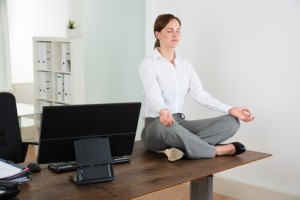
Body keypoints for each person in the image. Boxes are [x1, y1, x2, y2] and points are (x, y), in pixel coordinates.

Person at [138, 14, 254, 161]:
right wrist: (162, 110)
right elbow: (152, 94)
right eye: (169, 31)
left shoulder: (185, 65)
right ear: (157, 34)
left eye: (178, 31)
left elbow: (200, 94)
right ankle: (215, 150)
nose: (175, 35)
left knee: (231, 122)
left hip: (180, 123)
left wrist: (230, 109)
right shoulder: (148, 64)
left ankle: (182, 147)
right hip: (156, 126)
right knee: (164, 127)